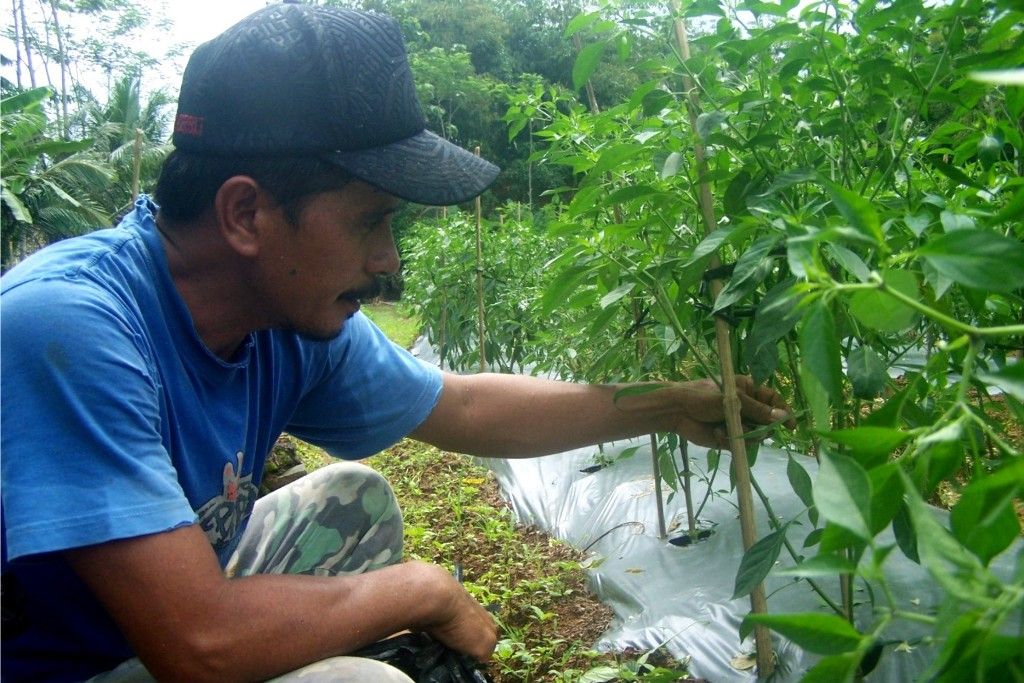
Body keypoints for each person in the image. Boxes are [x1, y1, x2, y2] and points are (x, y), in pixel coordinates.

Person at [0, 4, 794, 682]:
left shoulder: (283, 318)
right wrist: (424, 590)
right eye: (370, 219)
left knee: (353, 504)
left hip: (146, 627)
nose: (389, 263)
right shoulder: (69, 328)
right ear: (246, 214)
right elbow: (198, 643)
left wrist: (664, 405)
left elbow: (464, 405)